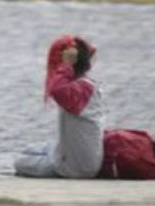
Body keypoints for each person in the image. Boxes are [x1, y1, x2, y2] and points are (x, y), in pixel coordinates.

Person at [14, 35, 105, 178]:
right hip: (86, 160)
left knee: (20, 162)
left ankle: (53, 160)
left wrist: (66, 64)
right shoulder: (86, 85)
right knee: (31, 149)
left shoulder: (80, 89)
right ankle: (52, 155)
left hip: (74, 168)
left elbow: (57, 89)